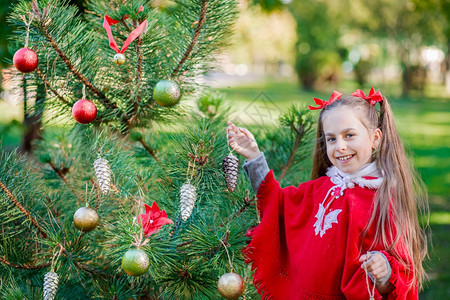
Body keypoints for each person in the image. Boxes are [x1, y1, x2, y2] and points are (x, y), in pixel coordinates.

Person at [226, 88, 428, 300]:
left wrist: (384, 271)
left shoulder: (383, 198)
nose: (340, 147)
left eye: (349, 135)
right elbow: (277, 205)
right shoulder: (319, 189)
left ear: (375, 138)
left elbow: (401, 275)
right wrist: (254, 155)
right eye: (331, 139)